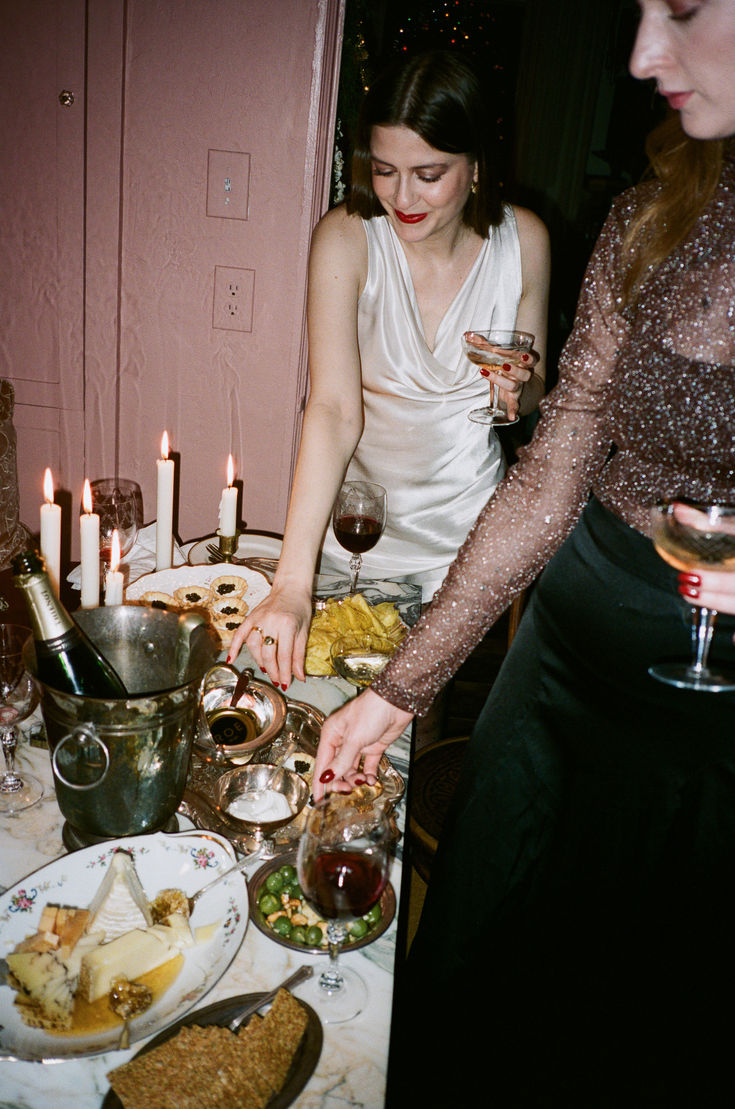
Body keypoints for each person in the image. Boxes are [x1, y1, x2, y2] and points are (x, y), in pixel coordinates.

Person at [312, 1, 735, 1104]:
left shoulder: (527, 237)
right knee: (485, 956)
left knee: (647, 992)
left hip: (709, 695)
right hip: (564, 645)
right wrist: (397, 694)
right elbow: (555, 465)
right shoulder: (651, 217)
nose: (643, 54)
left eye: (683, 8)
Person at [228, 49, 550, 689]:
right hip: (358, 530)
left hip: (471, 542)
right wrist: (293, 582)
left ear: (477, 166)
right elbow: (333, 411)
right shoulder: (347, 237)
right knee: (285, 684)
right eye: (385, 170)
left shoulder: (527, 240)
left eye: (429, 174)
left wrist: (522, 387)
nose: (403, 197)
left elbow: (536, 396)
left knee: (398, 714)